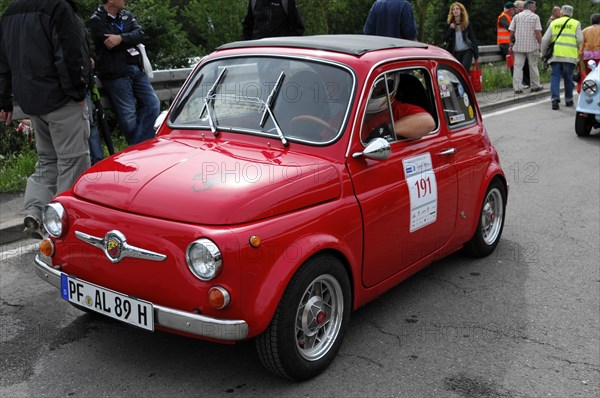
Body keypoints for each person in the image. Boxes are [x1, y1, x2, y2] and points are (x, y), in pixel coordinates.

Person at [0, 0, 91, 239]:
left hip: (31, 100)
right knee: (73, 161)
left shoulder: (11, 12)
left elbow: (4, 61)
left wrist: (4, 100)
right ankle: (62, 226)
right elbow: (69, 54)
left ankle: (35, 211)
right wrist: (78, 92)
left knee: (47, 160)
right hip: (61, 99)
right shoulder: (58, 7)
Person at [89, 0, 160, 146]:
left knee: (153, 104)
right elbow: (109, 45)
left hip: (136, 68)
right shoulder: (96, 20)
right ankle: (141, 150)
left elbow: (140, 34)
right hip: (115, 73)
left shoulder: (126, 15)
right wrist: (129, 38)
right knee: (128, 116)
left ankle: (138, 148)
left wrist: (120, 38)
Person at [362, 75, 435, 142]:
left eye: (381, 85)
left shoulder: (397, 108)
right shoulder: (356, 109)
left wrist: (386, 130)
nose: (376, 90)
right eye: (374, 88)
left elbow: (428, 122)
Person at [541, 5, 582, 110]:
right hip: (569, 56)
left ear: (561, 13)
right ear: (571, 14)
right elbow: (580, 40)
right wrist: (578, 52)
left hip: (555, 56)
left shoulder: (554, 23)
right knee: (568, 78)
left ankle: (555, 100)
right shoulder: (576, 23)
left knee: (555, 77)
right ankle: (568, 100)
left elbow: (545, 40)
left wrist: (544, 54)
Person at [509, 0, 543, 94]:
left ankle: (517, 87)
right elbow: (538, 33)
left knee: (518, 67)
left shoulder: (516, 17)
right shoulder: (535, 17)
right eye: (535, 7)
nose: (535, 9)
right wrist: (540, 44)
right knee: (533, 66)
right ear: (531, 7)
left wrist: (511, 42)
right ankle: (535, 86)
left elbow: (511, 32)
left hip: (518, 46)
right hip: (531, 46)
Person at [445, 2, 479, 73]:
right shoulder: (451, 24)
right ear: (452, 12)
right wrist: (450, 29)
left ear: (461, 11)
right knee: (457, 73)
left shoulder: (466, 24)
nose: (455, 10)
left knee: (464, 71)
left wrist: (476, 55)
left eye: (457, 9)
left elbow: (473, 38)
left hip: (467, 51)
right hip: (456, 53)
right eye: (453, 9)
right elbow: (446, 39)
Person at [514, 0, 531, 88]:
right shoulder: (515, 17)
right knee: (519, 66)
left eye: (522, 7)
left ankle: (526, 81)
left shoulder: (526, 16)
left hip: (524, 44)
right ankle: (520, 83)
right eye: (520, 7)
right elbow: (511, 31)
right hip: (517, 45)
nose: (521, 9)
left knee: (525, 65)